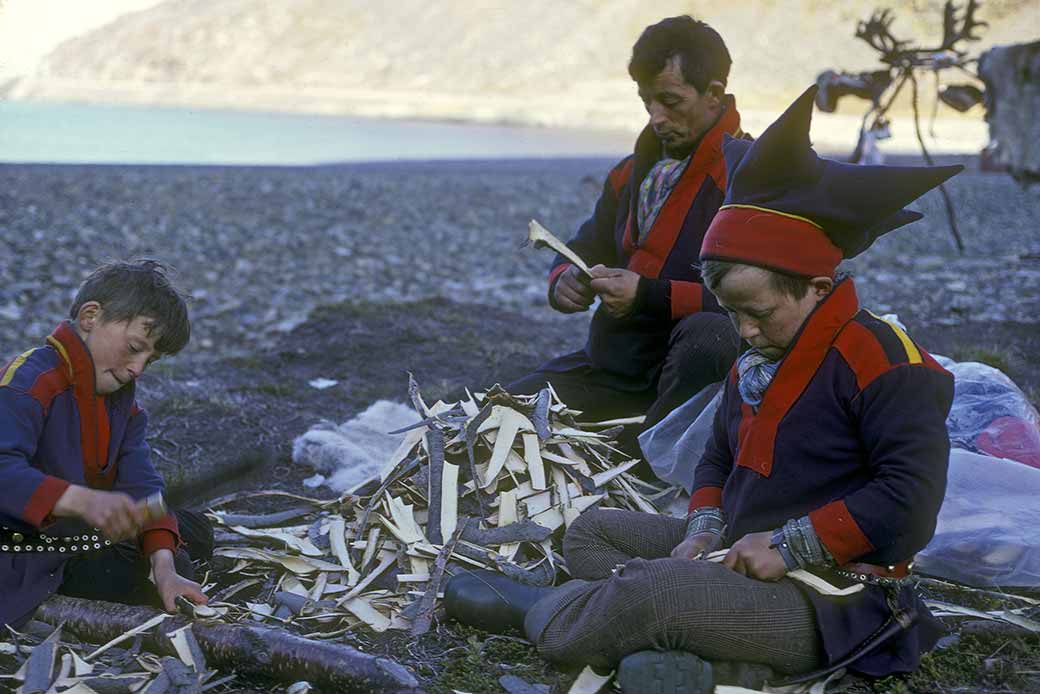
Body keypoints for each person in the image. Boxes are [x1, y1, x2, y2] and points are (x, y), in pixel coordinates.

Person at [445, 86, 961, 693]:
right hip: (739, 552)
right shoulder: (760, 353)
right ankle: (708, 657)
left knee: (657, 592)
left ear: (818, 288)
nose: (743, 330)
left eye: (758, 312)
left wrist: (794, 546)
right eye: (731, 312)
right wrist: (701, 530)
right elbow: (719, 455)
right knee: (595, 531)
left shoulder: (886, 362)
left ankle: (546, 615)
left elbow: (911, 497)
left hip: (837, 599)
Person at [508, 15, 743, 430]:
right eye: (647, 103)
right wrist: (563, 277)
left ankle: (660, 445)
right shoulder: (631, 172)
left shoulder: (751, 179)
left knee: (712, 335)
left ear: (713, 94)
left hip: (697, 381)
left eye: (670, 102)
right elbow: (589, 243)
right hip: (614, 368)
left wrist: (646, 296)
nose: (656, 118)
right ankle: (629, 434)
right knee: (498, 416)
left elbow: (758, 302)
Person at [1, 259, 213, 630]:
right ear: (90, 317)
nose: (138, 369)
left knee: (192, 532)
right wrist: (85, 501)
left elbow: (142, 486)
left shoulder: (123, 405)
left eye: (151, 359)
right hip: (24, 542)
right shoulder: (30, 382)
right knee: (117, 574)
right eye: (135, 347)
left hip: (79, 531)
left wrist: (164, 568)